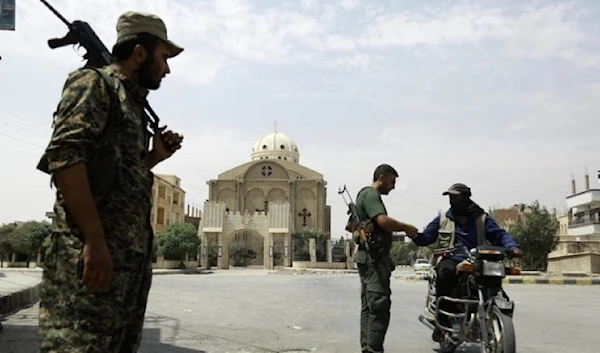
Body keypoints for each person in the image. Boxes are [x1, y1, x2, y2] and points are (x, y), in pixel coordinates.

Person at [37, 11, 184, 353]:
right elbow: (65, 160)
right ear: (139, 53)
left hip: (124, 267)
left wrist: (154, 158)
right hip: (91, 263)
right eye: (163, 57)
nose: (167, 68)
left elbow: (121, 181)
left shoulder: (131, 106)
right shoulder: (93, 85)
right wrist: (94, 240)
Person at [410, 183, 522, 342]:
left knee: (493, 282)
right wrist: (413, 234)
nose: (452, 200)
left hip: (477, 260)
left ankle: (494, 312)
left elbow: (499, 235)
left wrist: (512, 247)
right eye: (450, 197)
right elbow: (426, 237)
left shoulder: (481, 218)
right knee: (445, 273)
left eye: (455, 197)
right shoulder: (443, 217)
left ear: (466, 198)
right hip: (451, 259)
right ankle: (442, 320)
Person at [351, 164, 419, 353]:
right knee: (379, 305)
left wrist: (386, 255)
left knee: (368, 305)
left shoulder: (362, 194)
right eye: (392, 181)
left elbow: (374, 231)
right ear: (382, 177)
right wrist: (406, 227)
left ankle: (367, 348)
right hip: (373, 260)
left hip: (369, 256)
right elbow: (382, 221)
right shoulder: (371, 195)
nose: (394, 186)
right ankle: (373, 349)